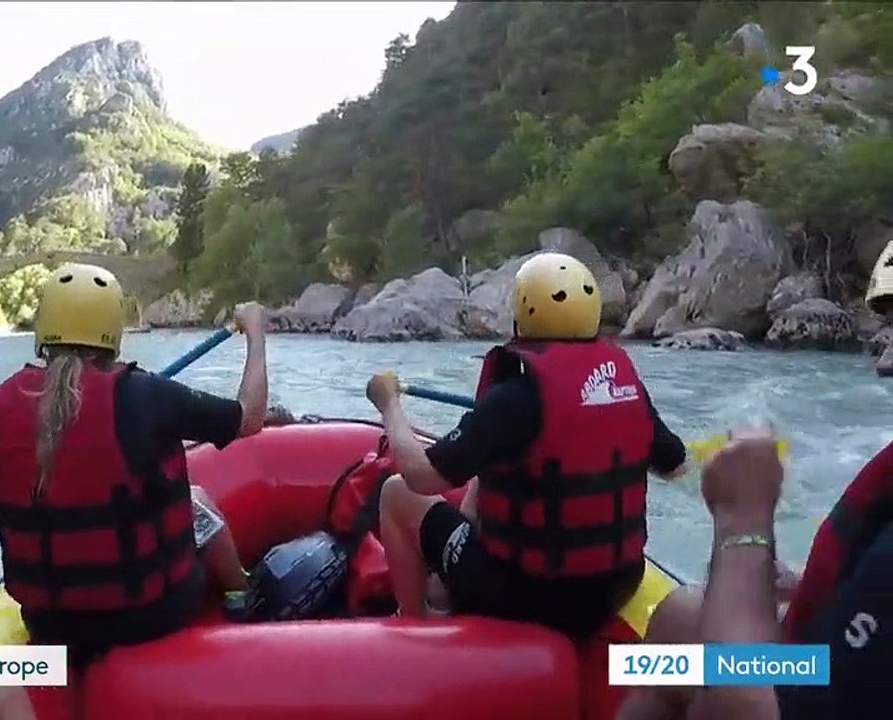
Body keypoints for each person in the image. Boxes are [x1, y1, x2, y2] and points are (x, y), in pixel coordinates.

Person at [366, 251, 687, 638]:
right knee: (502, 469)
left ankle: (415, 622)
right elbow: (674, 464)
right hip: (615, 588)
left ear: (522, 313)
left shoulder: (514, 396)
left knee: (396, 492)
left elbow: (421, 476)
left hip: (525, 595)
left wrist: (389, 404)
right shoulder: (624, 385)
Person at [0, 263, 268, 672]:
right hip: (148, 614)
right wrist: (255, 332)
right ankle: (241, 592)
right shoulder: (146, 395)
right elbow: (250, 417)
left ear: (43, 334)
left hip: (48, 624)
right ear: (113, 334)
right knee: (196, 499)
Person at [618, 432, 893, 720]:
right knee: (679, 619)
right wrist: (805, 589)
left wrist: (742, 520)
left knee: (685, 660)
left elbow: (749, 703)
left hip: (809, 683)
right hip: (832, 663)